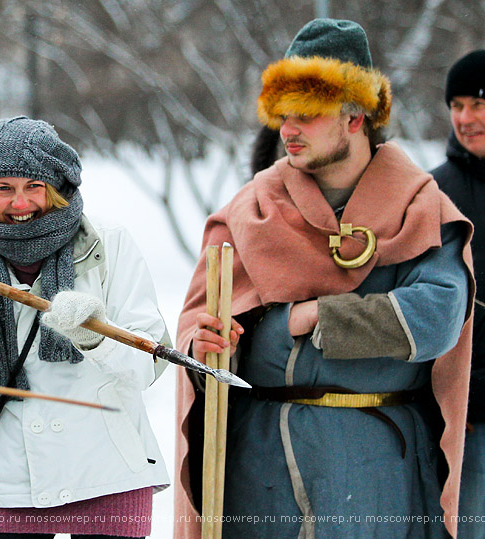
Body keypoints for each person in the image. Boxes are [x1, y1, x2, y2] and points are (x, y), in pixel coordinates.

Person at [174, 18, 474, 538]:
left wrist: (310, 317)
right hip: (261, 470)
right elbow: (206, 337)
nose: (287, 130)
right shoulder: (252, 211)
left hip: (378, 469)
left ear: (355, 116)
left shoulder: (420, 208)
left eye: (307, 114)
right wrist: (204, 347)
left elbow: (434, 320)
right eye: (282, 114)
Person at [0, 116, 170, 538]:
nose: (19, 203)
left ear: (56, 188)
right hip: (12, 480)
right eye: (3, 188)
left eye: (33, 187)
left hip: (108, 469)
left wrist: (96, 337)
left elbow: (146, 367)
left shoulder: (107, 243)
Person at [431, 49, 485, 539]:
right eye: (457, 105)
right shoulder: (436, 194)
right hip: (469, 417)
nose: (465, 118)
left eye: (479, 103)